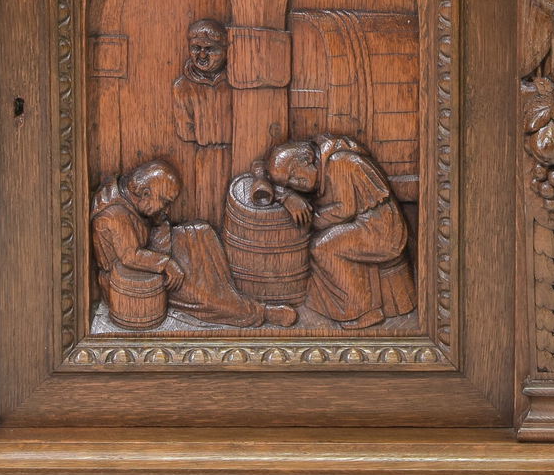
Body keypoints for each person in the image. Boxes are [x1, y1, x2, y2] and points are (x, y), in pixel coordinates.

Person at [91, 161, 296, 330]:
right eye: (164, 201)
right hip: (133, 276)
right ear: (144, 193)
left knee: (202, 232)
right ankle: (255, 312)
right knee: (198, 292)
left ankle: (229, 291)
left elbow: (149, 222)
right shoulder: (115, 214)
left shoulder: (130, 194)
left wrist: (159, 222)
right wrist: (167, 263)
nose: (166, 207)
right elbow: (131, 256)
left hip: (150, 248)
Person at [252, 136, 414, 328]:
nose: (297, 184)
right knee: (323, 244)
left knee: (323, 248)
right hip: (363, 224)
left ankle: (365, 311)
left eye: (294, 176)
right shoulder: (322, 165)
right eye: (291, 183)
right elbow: (261, 169)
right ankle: (335, 307)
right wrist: (285, 195)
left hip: (381, 229)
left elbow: (344, 209)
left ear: (306, 161)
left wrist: (312, 220)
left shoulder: (339, 162)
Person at [171, 19, 233, 225]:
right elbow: (184, 130)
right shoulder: (183, 86)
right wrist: (208, 133)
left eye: (210, 49)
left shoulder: (235, 81)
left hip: (238, 151)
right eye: (196, 48)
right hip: (205, 154)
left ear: (224, 50)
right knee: (208, 205)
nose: (202, 55)